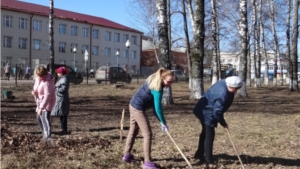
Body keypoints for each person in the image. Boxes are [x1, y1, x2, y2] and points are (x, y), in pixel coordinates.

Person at [122, 68, 174, 169]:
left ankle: (127, 155)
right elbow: (158, 109)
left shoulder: (154, 79)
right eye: (168, 81)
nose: (170, 84)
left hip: (132, 104)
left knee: (133, 131)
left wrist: (162, 122)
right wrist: (163, 122)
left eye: (172, 81)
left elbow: (155, 109)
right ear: (162, 78)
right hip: (137, 108)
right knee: (148, 134)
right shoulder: (157, 89)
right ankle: (147, 162)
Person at [193, 76, 243, 167]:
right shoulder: (223, 95)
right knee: (209, 135)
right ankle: (208, 161)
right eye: (235, 89)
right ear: (231, 87)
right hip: (207, 112)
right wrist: (223, 123)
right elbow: (217, 112)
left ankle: (199, 154)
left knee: (205, 132)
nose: (236, 91)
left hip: (201, 108)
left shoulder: (224, 82)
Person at [32, 66, 56, 139]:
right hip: (40, 101)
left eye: (42, 76)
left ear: (45, 74)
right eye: (39, 76)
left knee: (45, 118)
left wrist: (41, 108)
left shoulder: (47, 82)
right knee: (39, 118)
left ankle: (48, 137)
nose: (40, 77)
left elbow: (47, 96)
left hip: (47, 102)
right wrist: (34, 92)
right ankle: (44, 133)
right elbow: (36, 87)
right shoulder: (38, 79)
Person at [51, 66, 70, 134]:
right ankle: (63, 128)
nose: (57, 74)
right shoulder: (61, 79)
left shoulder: (64, 79)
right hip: (60, 98)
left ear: (61, 73)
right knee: (62, 114)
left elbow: (64, 89)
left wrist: (56, 88)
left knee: (63, 114)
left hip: (62, 99)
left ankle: (64, 129)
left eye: (58, 73)